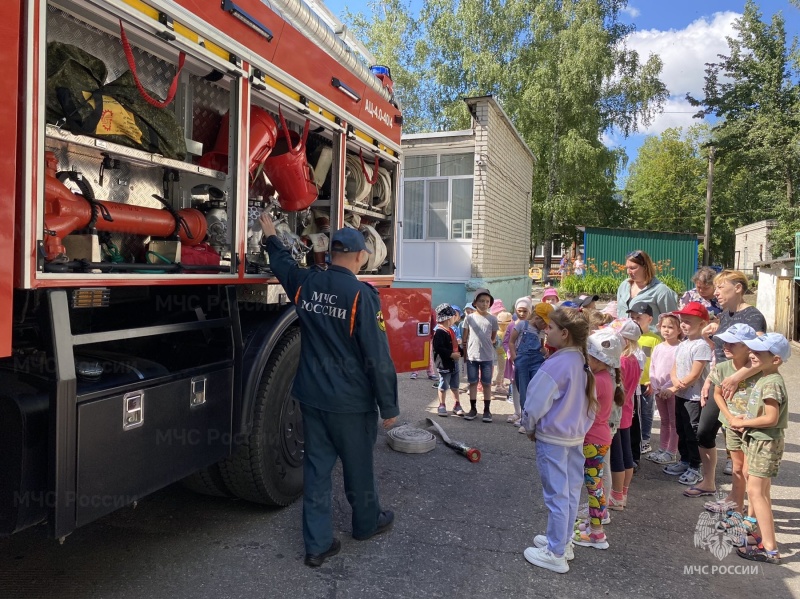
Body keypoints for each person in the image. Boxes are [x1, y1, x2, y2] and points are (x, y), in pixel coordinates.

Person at [258, 214, 397, 568]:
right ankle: (366, 524)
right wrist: (389, 406)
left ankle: (317, 546)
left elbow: (285, 267)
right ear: (359, 257)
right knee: (359, 467)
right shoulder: (361, 296)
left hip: (312, 398)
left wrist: (272, 236)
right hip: (350, 404)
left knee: (316, 471)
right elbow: (377, 355)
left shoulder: (307, 284)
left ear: (331, 253)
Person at [521, 308, 596, 574]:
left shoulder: (555, 364)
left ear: (564, 334)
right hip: (574, 437)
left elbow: (536, 402)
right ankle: (563, 542)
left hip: (553, 439)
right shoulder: (582, 360)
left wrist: (529, 425)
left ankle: (555, 552)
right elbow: (591, 405)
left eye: (550, 327)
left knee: (556, 496)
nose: (546, 330)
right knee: (570, 492)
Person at [699, 270, 766, 481]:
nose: (716, 292)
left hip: (743, 386)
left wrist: (736, 378)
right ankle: (708, 482)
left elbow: (761, 357)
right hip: (721, 381)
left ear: (737, 288)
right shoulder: (724, 314)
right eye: (716, 287)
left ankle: (745, 497)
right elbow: (720, 352)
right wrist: (709, 379)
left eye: (721, 287)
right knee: (704, 431)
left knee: (739, 437)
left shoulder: (753, 317)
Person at [732, 333, 791, 564]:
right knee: (762, 493)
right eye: (752, 351)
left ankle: (770, 548)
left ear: (775, 359)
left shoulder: (772, 383)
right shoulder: (766, 378)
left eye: (758, 353)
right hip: (761, 441)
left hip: (765, 442)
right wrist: (745, 417)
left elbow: (771, 418)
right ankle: (764, 539)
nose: (752, 355)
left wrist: (743, 422)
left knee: (756, 493)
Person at [573, 328, 625, 551]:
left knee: (593, 488)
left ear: (598, 359)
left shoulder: (598, 381)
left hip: (592, 440)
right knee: (595, 486)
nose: (587, 358)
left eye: (590, 356)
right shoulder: (606, 377)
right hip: (599, 438)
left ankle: (597, 534)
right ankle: (594, 524)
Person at [697, 324, 760, 507]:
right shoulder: (723, 367)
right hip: (731, 425)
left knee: (750, 471)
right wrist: (730, 418)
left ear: (748, 347)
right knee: (737, 468)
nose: (726, 346)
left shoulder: (759, 371)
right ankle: (736, 507)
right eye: (725, 341)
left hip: (753, 427)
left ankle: (752, 515)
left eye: (733, 343)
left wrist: (748, 421)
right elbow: (717, 394)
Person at [663, 302, 712, 489]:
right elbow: (675, 367)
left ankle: (695, 465)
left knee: (693, 432)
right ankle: (684, 460)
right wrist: (674, 379)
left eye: (688, 322)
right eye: (682, 321)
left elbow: (694, 374)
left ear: (702, 324)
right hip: (681, 395)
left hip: (693, 397)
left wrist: (675, 388)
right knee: (681, 429)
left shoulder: (702, 346)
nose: (683, 325)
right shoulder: (684, 344)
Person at [607, 318, 642, 511]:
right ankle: (623, 493)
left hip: (616, 413)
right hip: (627, 411)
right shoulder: (634, 359)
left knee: (617, 457)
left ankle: (616, 495)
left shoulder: (620, 360)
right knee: (627, 455)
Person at [647, 313, 682, 465]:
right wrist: (655, 384)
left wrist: (668, 387)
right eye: (664, 327)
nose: (666, 330)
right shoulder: (658, 347)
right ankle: (662, 448)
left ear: (679, 330)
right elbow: (653, 367)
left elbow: (679, 370)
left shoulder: (680, 348)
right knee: (664, 420)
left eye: (671, 327)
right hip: (658, 390)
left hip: (673, 390)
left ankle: (671, 452)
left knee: (673, 422)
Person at [626, 303, 661, 456]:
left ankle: (645, 440)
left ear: (650, 319)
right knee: (635, 413)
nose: (635, 320)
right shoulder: (628, 337)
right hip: (632, 382)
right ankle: (636, 437)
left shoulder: (654, 339)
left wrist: (654, 381)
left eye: (638, 317)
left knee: (646, 412)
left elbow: (658, 362)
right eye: (632, 317)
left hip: (646, 382)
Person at [509, 298, 549, 429]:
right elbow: (511, 341)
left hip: (537, 360)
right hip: (522, 361)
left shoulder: (542, 331)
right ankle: (524, 419)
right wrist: (515, 358)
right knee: (524, 391)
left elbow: (541, 347)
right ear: (538, 318)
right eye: (545, 323)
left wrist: (546, 352)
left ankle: (533, 418)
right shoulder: (522, 325)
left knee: (535, 389)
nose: (545, 326)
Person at [462, 288, 499, 422]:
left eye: (487, 301)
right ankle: (473, 409)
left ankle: (487, 410)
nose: (484, 304)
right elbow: (465, 337)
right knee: (472, 383)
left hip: (487, 357)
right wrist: (465, 352)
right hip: (472, 356)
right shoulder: (469, 318)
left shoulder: (493, 319)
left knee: (487, 384)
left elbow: (493, 338)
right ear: (475, 303)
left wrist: (488, 343)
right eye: (481, 301)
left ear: (490, 303)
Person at [615, 249, 678, 328]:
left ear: (645, 267)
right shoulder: (624, 286)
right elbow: (618, 312)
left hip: (650, 338)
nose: (628, 272)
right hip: (625, 338)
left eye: (633, 268)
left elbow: (672, 320)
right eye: (627, 268)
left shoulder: (661, 291)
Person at [432, 304, 465, 417]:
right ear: (447, 318)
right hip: (444, 364)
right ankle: (441, 405)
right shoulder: (440, 332)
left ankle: (457, 404)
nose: (455, 318)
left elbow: (455, 345)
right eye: (453, 316)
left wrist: (462, 352)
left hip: (454, 363)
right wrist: (451, 354)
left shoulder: (450, 330)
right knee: (443, 385)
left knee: (455, 386)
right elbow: (438, 348)